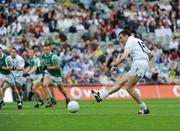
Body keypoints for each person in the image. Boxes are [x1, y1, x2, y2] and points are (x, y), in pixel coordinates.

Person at [91, 30, 153, 114]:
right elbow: (151, 54)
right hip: (141, 64)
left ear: (126, 36)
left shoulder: (129, 42)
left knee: (129, 88)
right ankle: (100, 96)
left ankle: (144, 108)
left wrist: (115, 65)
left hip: (138, 64)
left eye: (121, 37)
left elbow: (124, 57)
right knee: (120, 82)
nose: (120, 40)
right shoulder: (138, 40)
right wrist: (144, 62)